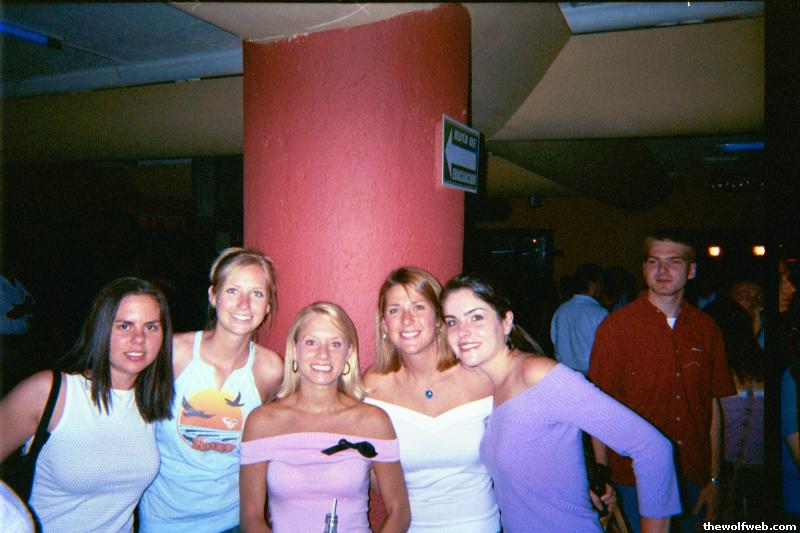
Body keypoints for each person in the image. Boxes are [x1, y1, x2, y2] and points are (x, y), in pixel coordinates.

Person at [441, 274, 680, 533]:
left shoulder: (537, 375)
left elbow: (652, 448)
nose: (463, 332)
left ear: (506, 321)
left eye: (476, 317)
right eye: (452, 321)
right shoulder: (492, 385)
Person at [0, 277, 175, 532]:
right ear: (101, 329)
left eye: (150, 327)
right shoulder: (51, 392)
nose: (139, 338)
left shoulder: (154, 402)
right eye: (124, 326)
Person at [589, 231, 736, 533]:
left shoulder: (707, 329)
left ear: (691, 270)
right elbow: (597, 408)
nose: (662, 271)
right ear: (644, 269)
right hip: (631, 479)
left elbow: (712, 408)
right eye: (654, 262)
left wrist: (714, 480)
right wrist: (602, 479)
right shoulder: (615, 328)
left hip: (692, 477)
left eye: (674, 262)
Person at [139, 247, 284, 533]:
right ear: (213, 295)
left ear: (268, 305)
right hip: (162, 522)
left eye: (257, 294)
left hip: (231, 522)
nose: (244, 304)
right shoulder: (173, 353)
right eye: (232, 291)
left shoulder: (270, 370)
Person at [239, 301, 410, 532]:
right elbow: (250, 518)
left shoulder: (372, 422)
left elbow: (400, 512)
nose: (323, 354)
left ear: (349, 353)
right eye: (311, 342)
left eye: (335, 344)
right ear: (294, 349)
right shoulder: (262, 423)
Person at [363, 267, 498, 532]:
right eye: (394, 310)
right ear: (384, 324)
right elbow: (367, 466)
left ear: (438, 318)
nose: (407, 320)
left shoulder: (480, 376)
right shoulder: (374, 386)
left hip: (479, 525)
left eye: (418, 307)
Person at [550, 262, 608, 375]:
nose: (602, 288)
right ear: (592, 286)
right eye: (600, 284)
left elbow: (554, 341)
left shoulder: (561, 310)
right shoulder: (599, 314)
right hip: (589, 376)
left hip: (563, 374)